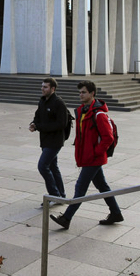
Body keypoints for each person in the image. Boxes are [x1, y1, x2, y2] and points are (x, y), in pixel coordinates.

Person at [50, 80, 123, 230]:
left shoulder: (99, 115)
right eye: (80, 92)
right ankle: (116, 213)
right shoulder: (82, 112)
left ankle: (66, 218)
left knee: (80, 188)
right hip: (88, 157)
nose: (81, 95)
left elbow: (108, 138)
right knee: (102, 186)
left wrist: (95, 153)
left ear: (92, 93)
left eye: (83, 92)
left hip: (93, 159)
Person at [29, 77, 67, 205]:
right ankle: (61, 196)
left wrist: (40, 126)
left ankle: (54, 195)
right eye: (42, 86)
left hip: (55, 141)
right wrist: (34, 124)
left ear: (53, 89)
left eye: (45, 87)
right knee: (53, 167)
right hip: (45, 140)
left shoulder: (58, 103)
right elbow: (38, 116)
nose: (42, 89)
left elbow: (61, 124)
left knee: (42, 166)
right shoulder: (42, 101)